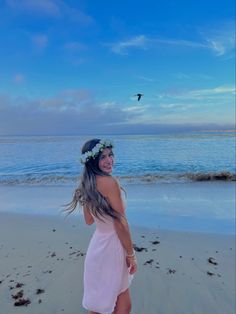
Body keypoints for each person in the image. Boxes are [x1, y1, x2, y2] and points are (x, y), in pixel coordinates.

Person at [65, 138, 137, 314]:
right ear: (92, 160)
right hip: (113, 248)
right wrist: (131, 254)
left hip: (98, 248)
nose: (109, 160)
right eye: (102, 157)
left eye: (110, 155)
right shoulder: (110, 182)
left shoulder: (87, 184)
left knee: (102, 305)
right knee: (121, 306)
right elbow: (120, 223)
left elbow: (89, 221)